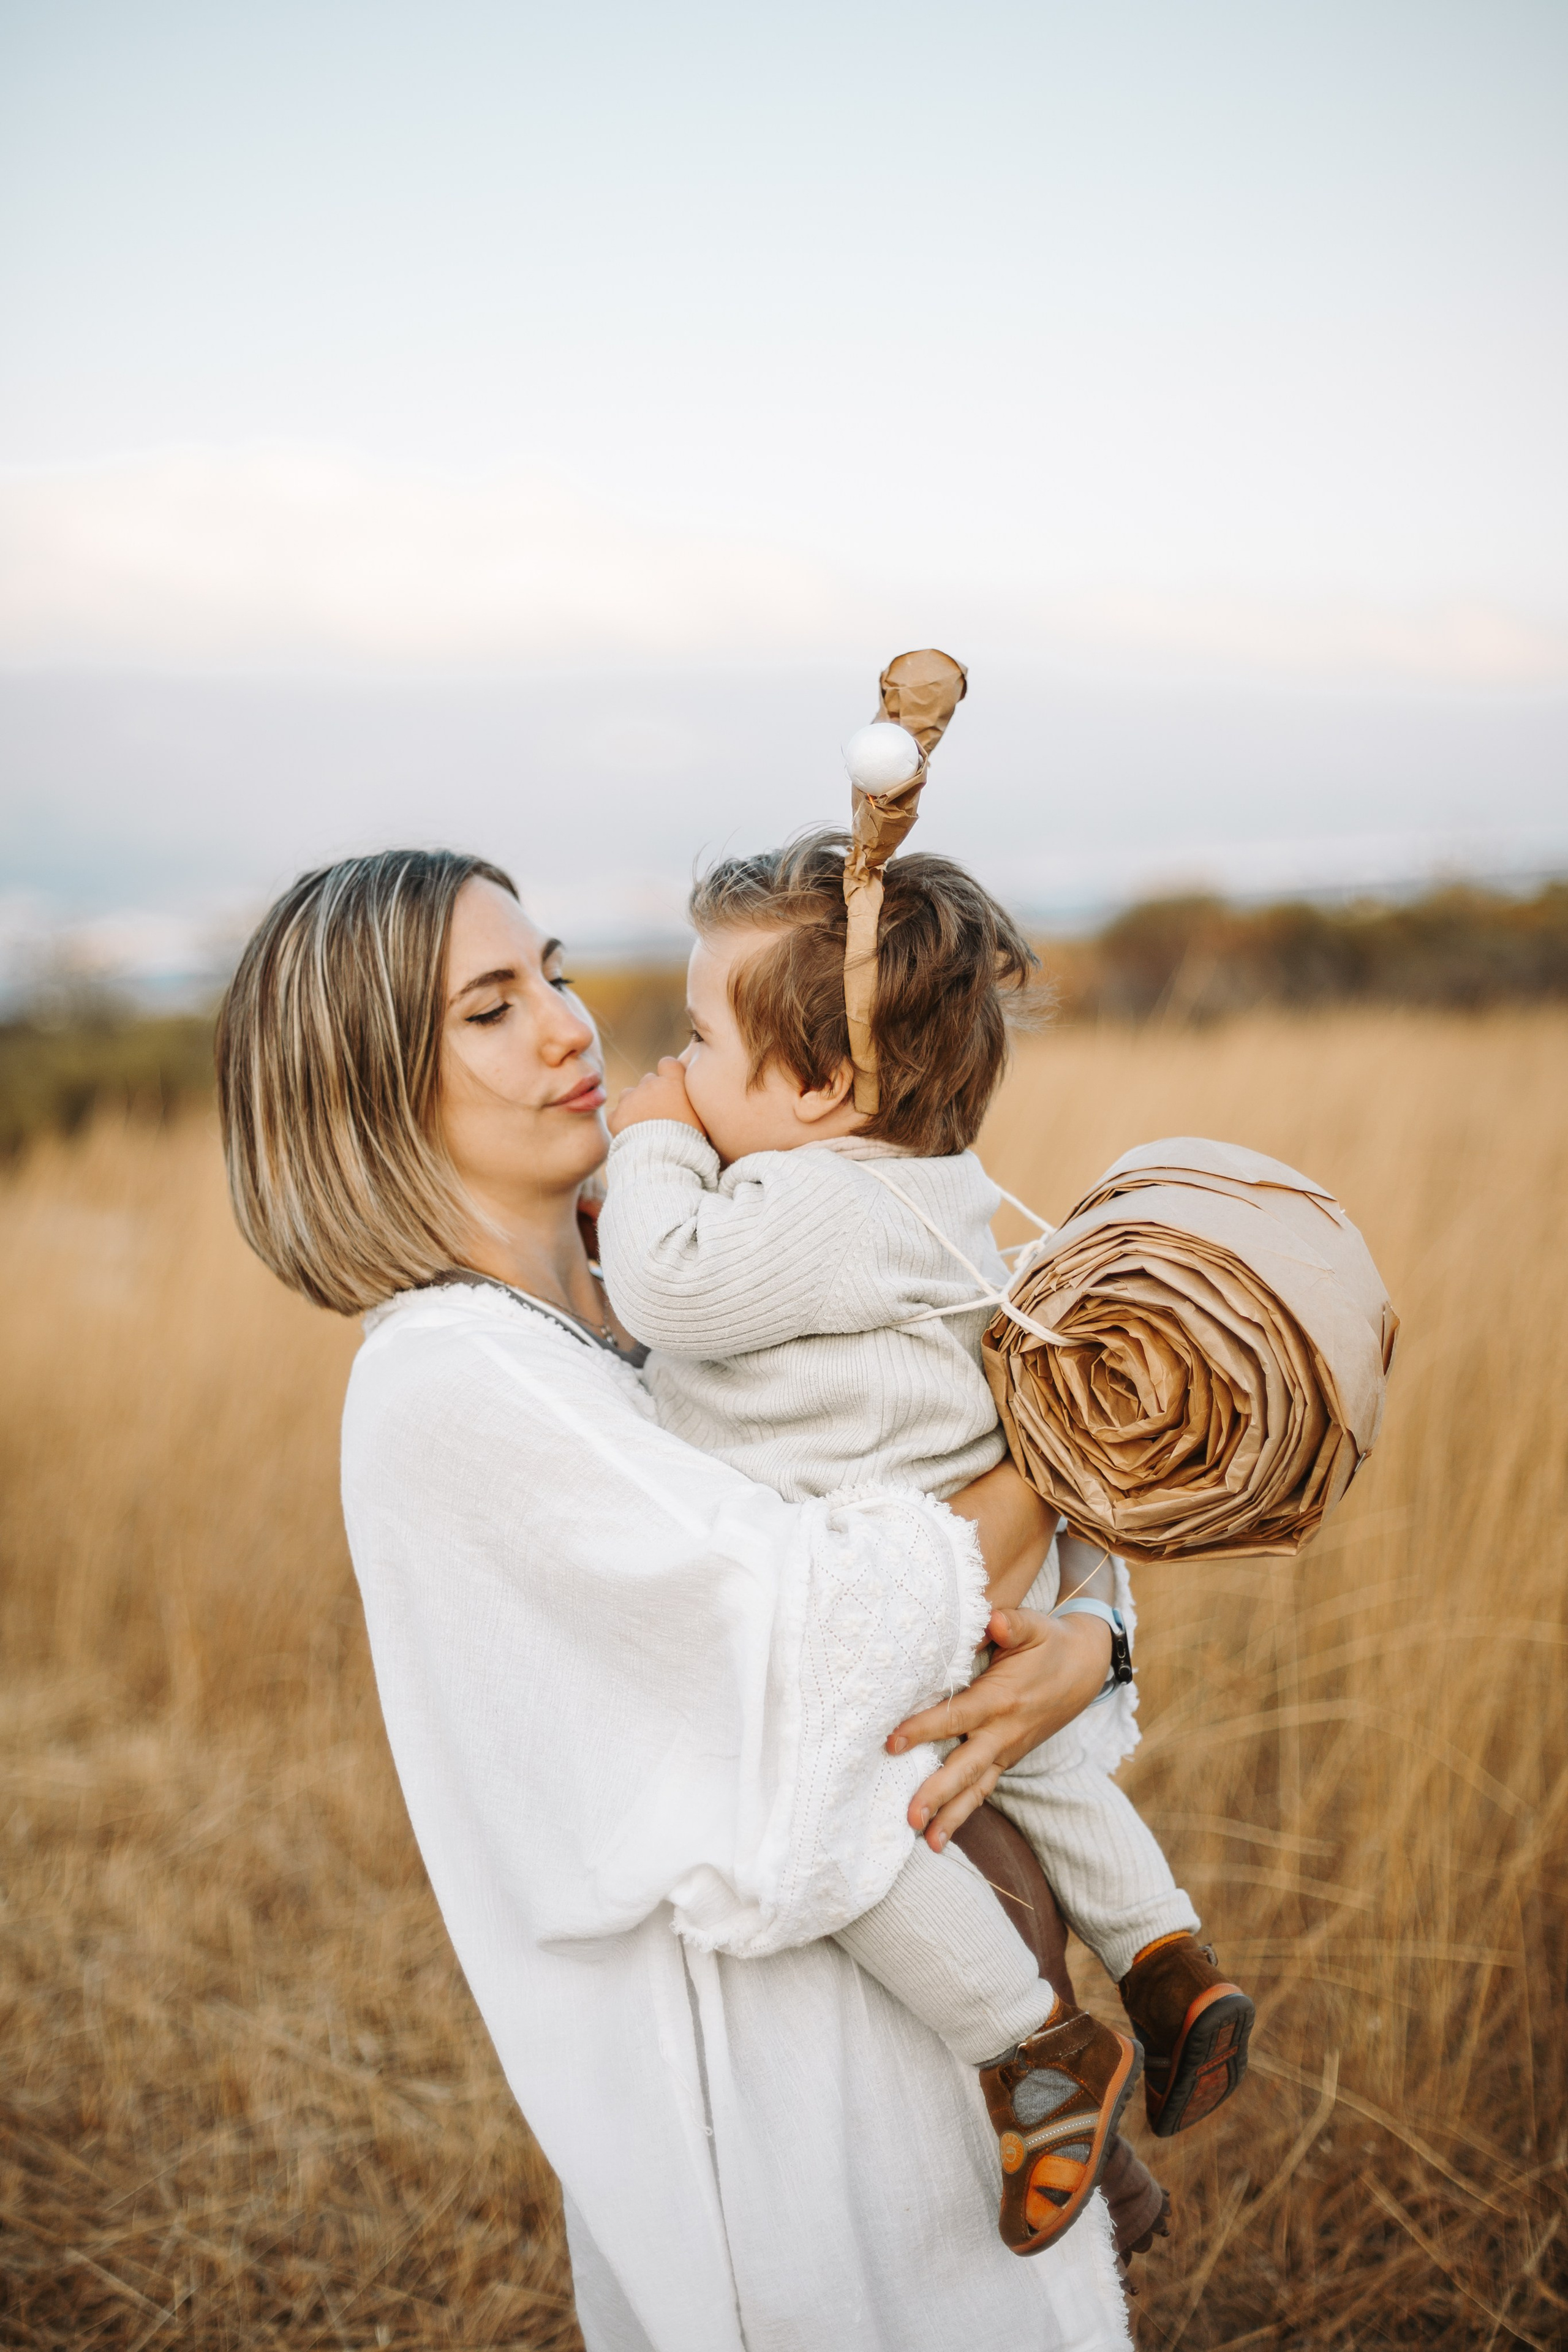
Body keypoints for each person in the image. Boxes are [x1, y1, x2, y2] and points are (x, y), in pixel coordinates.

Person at [215, 846, 1139, 2352]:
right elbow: (823, 1627)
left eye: (556, 975)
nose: (573, 1029)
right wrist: (1066, 1450)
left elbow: (927, 1481)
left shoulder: (658, 1298)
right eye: (489, 1010)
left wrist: (1084, 1646)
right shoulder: (448, 1381)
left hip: (934, 2045)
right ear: (361, 1085)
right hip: (769, 2110)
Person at [597, 834, 1255, 2212]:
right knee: (1051, 1772)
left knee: (845, 1823)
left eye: (698, 1039)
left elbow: (666, 1291)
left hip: (869, 1603)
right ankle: (1167, 1963)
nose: (678, 1068)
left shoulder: (808, 1199)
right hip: (976, 1580)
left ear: (823, 1086)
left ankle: (1030, 2052)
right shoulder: (942, 1187)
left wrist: (654, 1140)